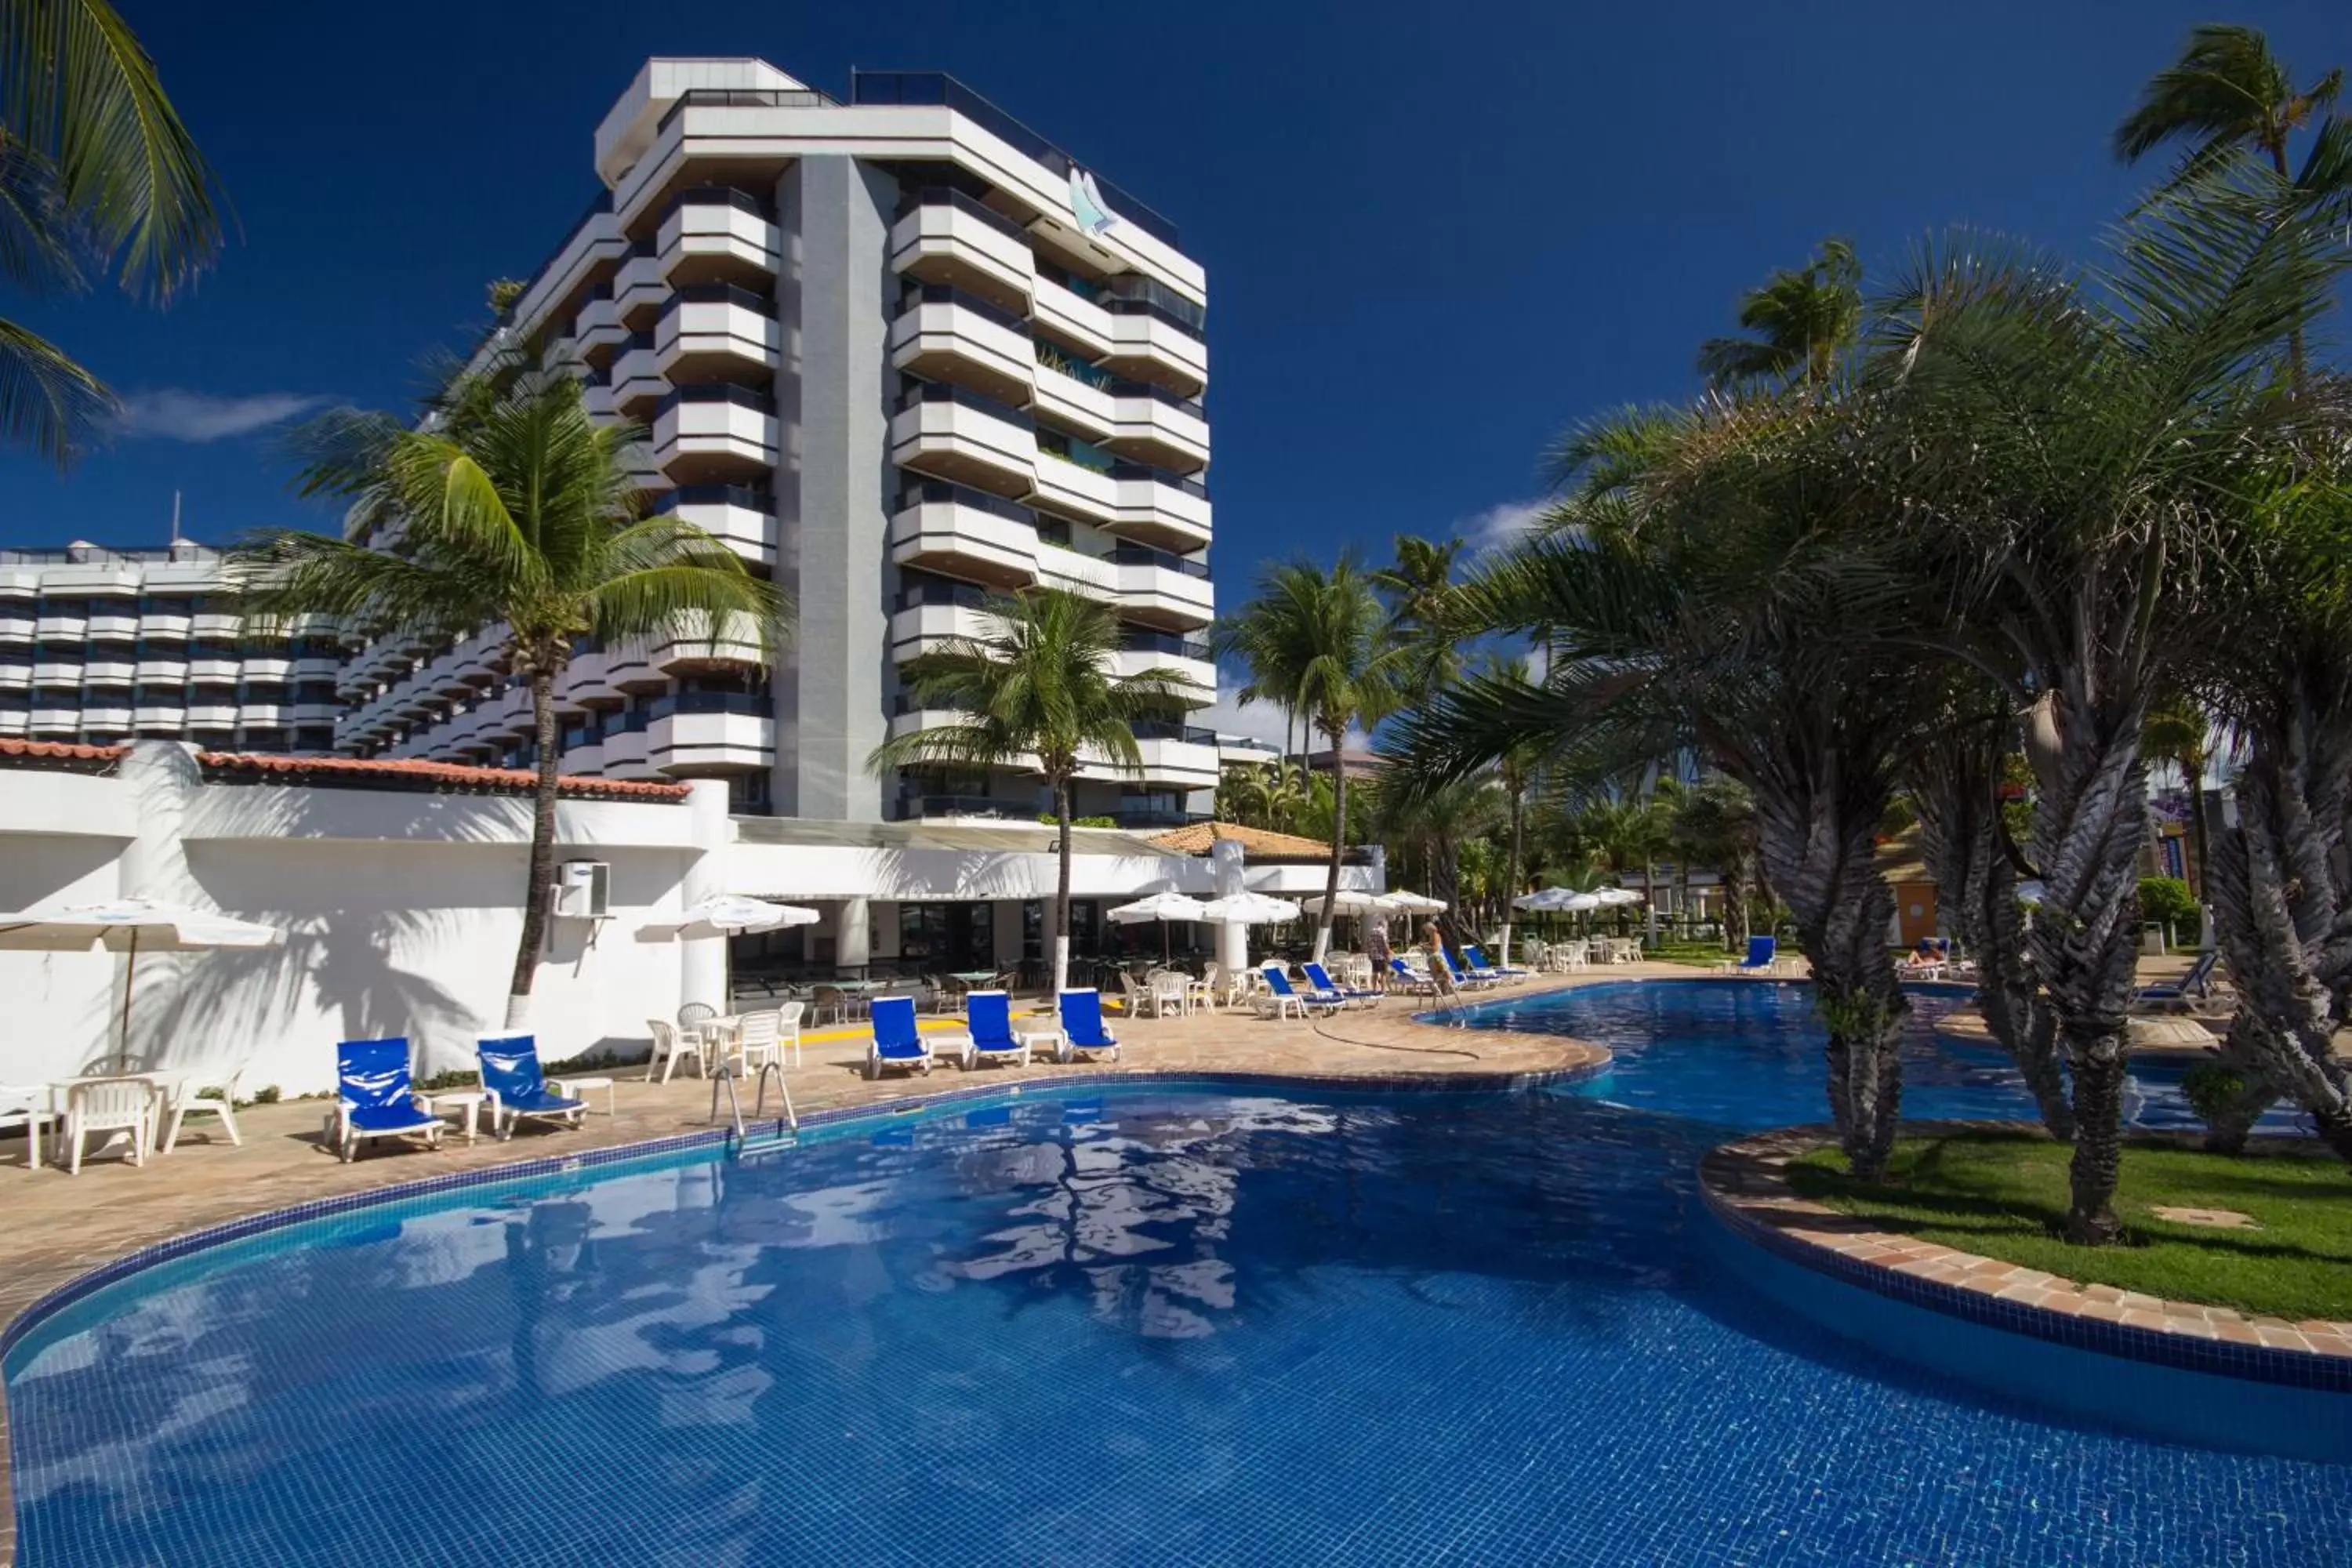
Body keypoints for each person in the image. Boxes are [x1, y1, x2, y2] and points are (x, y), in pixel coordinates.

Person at [1423, 920, 1456, 997]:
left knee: (1439, 974)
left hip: (1437, 957)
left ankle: (1445, 989)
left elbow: (1435, 948)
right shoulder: (1433, 935)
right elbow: (1432, 945)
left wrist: (1425, 947)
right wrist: (1426, 944)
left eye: (1426, 930)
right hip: (1436, 957)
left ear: (1430, 929)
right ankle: (1444, 990)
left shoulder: (1435, 935)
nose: (1425, 931)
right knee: (1439, 974)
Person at [1365, 919, 1392, 991]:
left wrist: (1369, 953)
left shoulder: (1371, 932)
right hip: (1381, 955)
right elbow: (1385, 944)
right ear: (1384, 925)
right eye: (1387, 926)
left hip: (1373, 955)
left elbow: (1367, 943)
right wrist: (1388, 953)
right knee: (1383, 973)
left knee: (1375, 973)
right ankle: (1383, 990)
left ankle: (1374, 989)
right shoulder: (1383, 932)